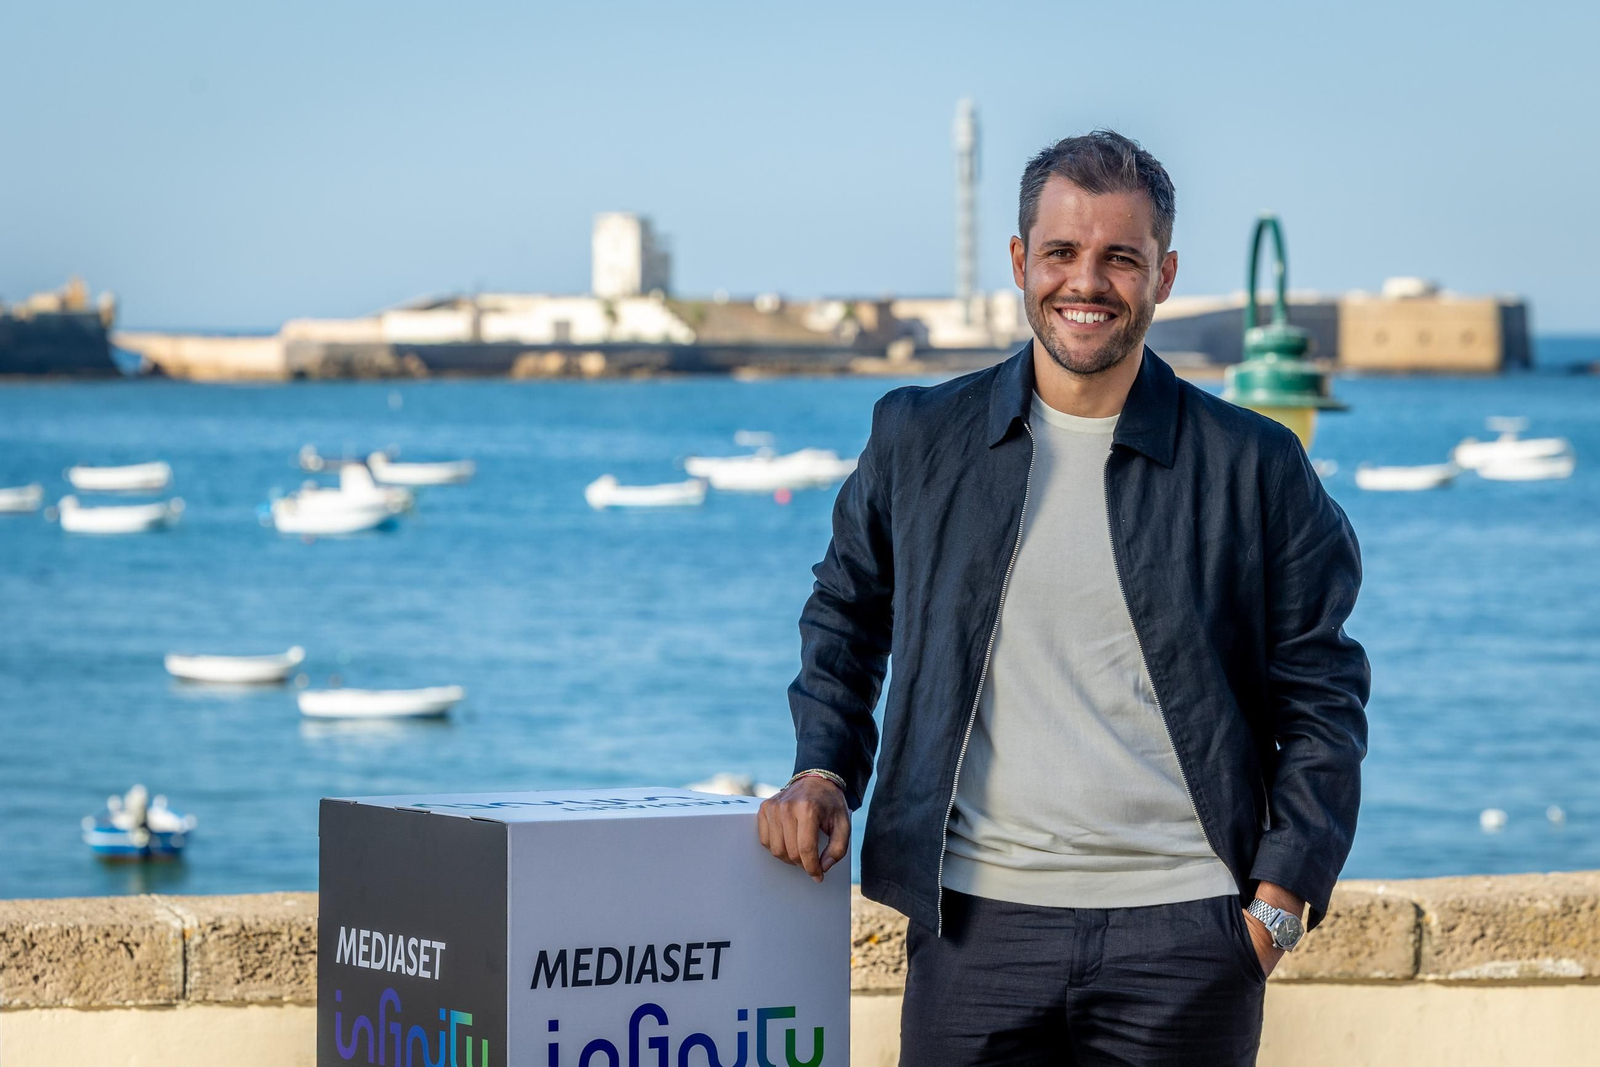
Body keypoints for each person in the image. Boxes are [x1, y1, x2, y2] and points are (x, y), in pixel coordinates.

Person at [757, 129, 1369, 1065]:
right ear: (1020, 262)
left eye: (1121, 257)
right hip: (974, 934)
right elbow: (846, 612)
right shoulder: (918, 438)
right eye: (1062, 254)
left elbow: (1324, 694)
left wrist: (1278, 901)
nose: (1088, 282)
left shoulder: (1255, 465)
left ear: (1164, 276)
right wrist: (824, 767)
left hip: (1186, 939)